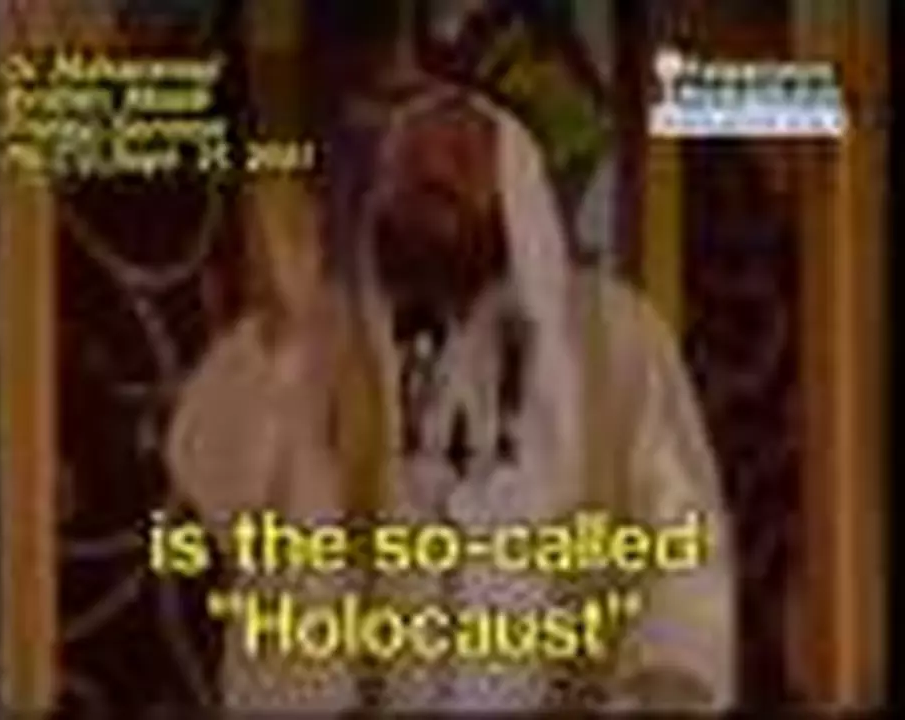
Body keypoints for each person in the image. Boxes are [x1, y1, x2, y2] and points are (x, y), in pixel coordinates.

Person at [164, 78, 736, 712]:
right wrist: (279, 336)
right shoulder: (321, 334)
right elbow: (211, 475)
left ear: (517, 191)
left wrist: (661, 685)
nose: (432, 175)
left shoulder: (613, 337)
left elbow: (680, 535)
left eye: (462, 158)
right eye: (411, 164)